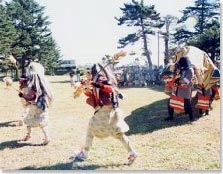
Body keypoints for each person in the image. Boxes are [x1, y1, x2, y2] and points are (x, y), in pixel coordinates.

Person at [73, 63, 137, 165]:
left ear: (93, 72)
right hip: (109, 110)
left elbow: (109, 88)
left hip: (106, 111)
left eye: (89, 72)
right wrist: (84, 88)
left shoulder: (100, 78)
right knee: (118, 133)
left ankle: (84, 153)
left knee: (90, 129)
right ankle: (132, 153)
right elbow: (93, 94)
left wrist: (95, 84)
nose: (88, 74)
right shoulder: (97, 79)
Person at [18, 62, 53, 145]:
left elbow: (29, 97)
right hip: (43, 105)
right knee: (43, 122)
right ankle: (47, 137)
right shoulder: (44, 82)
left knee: (28, 120)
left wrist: (22, 96)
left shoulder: (31, 84)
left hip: (34, 106)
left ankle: (28, 135)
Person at [165, 56, 195, 122]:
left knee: (187, 104)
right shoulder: (182, 69)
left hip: (185, 90)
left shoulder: (190, 69)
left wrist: (177, 80)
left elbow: (187, 80)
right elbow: (176, 75)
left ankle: (191, 118)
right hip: (177, 89)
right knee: (170, 102)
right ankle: (170, 116)